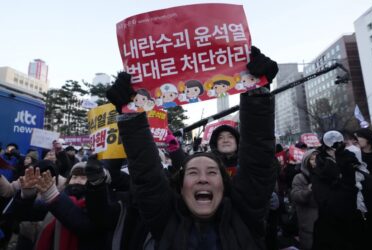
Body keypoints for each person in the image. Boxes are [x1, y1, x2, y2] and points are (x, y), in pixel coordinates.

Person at [106, 45, 278, 249]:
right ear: (180, 186)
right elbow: (146, 173)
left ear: (224, 185)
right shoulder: (166, 220)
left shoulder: (245, 216)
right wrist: (131, 111)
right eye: (193, 173)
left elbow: (257, 164)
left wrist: (257, 91)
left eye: (212, 172)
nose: (203, 179)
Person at [290, 149, 319, 250]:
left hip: (325, 223)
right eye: (311, 159)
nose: (315, 162)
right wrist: (308, 190)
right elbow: (295, 196)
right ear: (306, 161)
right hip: (308, 225)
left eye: (317, 159)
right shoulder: (300, 177)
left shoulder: (325, 176)